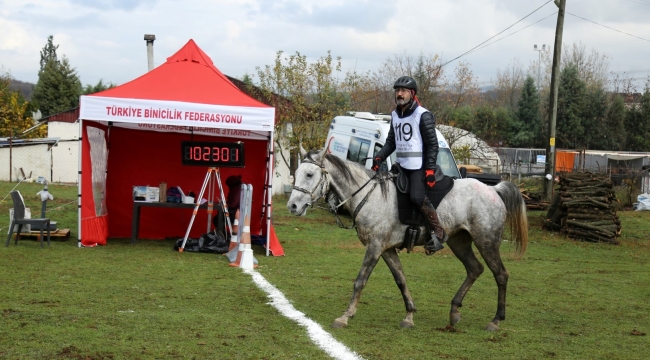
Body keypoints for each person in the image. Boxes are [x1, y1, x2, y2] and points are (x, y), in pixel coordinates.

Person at [372, 76, 448, 255]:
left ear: (412, 94)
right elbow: (391, 142)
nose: (399, 94)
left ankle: (438, 232)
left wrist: (429, 168)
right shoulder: (395, 115)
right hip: (402, 166)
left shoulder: (423, 115)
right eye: (397, 91)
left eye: (403, 91)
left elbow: (432, 145)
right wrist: (379, 158)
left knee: (416, 197)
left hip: (419, 167)